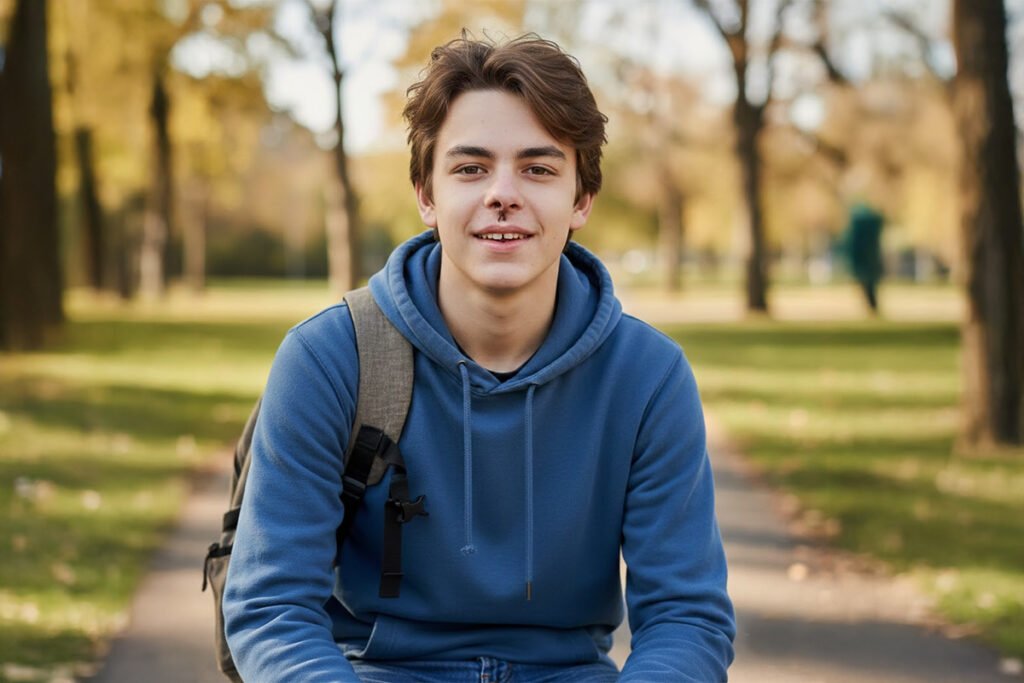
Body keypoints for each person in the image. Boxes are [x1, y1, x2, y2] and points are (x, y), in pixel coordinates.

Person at [223, 33, 735, 682]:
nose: (503, 193)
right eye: (471, 168)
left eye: (538, 169)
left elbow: (687, 618)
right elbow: (270, 607)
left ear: (581, 199)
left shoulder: (649, 377)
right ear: (426, 194)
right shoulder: (328, 359)